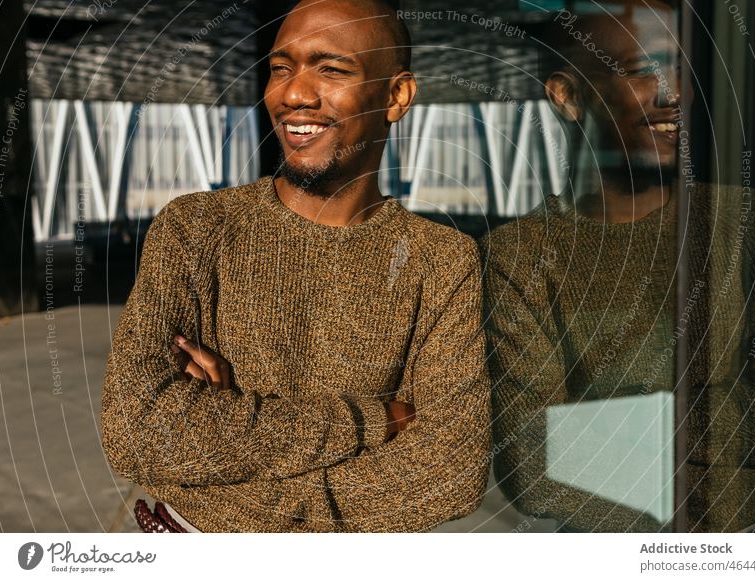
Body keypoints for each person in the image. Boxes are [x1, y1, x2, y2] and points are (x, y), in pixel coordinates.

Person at [101, 0, 491, 532]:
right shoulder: (194, 229)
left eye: (331, 69)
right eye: (281, 68)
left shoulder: (441, 262)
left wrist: (224, 453)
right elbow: (137, 430)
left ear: (395, 96)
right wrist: (374, 420)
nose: (293, 94)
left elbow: (449, 473)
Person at [481, 0, 755, 532]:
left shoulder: (752, 223)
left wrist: (603, 422)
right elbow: (534, 465)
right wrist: (742, 403)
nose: (675, 94)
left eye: (681, 70)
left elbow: (565, 446)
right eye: (643, 71)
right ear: (568, 95)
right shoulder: (518, 255)